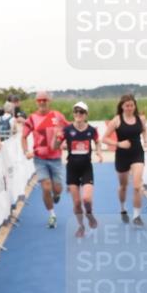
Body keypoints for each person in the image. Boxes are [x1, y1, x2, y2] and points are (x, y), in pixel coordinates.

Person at [54, 101, 102, 238]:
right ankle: (81, 226)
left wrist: (99, 152)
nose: (78, 114)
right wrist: (56, 137)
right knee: (76, 203)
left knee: (86, 198)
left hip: (86, 168)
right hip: (72, 169)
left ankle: (89, 214)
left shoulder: (91, 130)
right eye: (76, 111)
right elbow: (55, 147)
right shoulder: (67, 130)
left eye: (81, 112)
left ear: (86, 114)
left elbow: (97, 141)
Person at [21, 90, 67, 228]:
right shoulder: (32, 119)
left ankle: (56, 195)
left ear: (49, 101)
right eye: (39, 100)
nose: (42, 102)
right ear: (36, 102)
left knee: (57, 189)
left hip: (56, 158)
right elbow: (23, 137)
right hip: (39, 159)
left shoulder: (57, 116)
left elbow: (69, 129)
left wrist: (65, 142)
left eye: (44, 100)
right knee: (46, 187)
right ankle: (52, 215)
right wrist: (26, 152)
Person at [103, 94, 147, 225]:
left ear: (135, 106)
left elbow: (144, 131)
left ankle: (137, 216)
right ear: (122, 106)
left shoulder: (140, 119)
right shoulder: (116, 120)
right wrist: (118, 144)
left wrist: (146, 141)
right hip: (122, 155)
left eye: (132, 105)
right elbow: (104, 138)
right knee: (123, 186)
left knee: (137, 186)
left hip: (137, 154)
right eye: (127, 106)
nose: (129, 108)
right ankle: (123, 209)